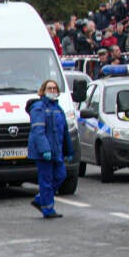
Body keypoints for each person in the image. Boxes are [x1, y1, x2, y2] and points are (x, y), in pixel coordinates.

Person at [26, 80, 74, 219]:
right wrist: (44, 150)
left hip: (57, 151)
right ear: (43, 90)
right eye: (49, 88)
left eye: (54, 88)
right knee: (46, 180)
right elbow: (38, 131)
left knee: (61, 175)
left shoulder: (58, 109)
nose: (52, 91)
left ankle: (41, 199)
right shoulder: (38, 107)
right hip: (44, 153)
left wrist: (69, 150)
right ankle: (48, 209)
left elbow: (64, 132)